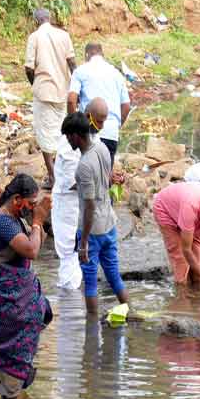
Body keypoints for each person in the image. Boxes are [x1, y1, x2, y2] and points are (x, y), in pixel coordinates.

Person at [0, 174, 53, 399]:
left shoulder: (12, 217)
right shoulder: (2, 222)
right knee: (11, 388)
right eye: (30, 203)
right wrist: (37, 221)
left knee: (14, 377)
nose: (32, 207)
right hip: (5, 306)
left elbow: (37, 241)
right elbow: (31, 250)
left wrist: (36, 219)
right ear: (17, 199)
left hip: (12, 305)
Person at [62, 108, 129, 314]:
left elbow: (89, 206)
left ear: (75, 136)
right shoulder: (101, 147)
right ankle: (129, 313)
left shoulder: (83, 165)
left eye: (67, 137)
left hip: (93, 231)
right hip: (109, 224)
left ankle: (91, 333)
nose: (67, 142)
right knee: (114, 276)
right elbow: (105, 181)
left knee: (90, 284)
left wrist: (83, 244)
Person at [24, 8, 76, 189]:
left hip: (44, 91)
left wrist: (35, 83)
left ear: (36, 20)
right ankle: (65, 172)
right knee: (63, 132)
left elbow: (29, 68)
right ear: (49, 18)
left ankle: (53, 176)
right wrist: (75, 87)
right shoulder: (63, 35)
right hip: (64, 90)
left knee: (45, 134)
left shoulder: (34, 37)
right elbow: (72, 64)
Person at [152, 182, 200, 289]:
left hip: (194, 217)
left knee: (199, 263)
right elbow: (186, 250)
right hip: (166, 210)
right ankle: (182, 296)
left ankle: (196, 297)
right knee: (181, 262)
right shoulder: (191, 205)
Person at [67, 43, 131, 167]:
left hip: (89, 132)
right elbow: (126, 106)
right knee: (105, 177)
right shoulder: (116, 74)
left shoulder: (80, 71)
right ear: (102, 54)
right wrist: (116, 125)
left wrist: (73, 126)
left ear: (87, 55)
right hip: (111, 133)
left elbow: (71, 100)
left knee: (87, 174)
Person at [51, 128, 83, 291]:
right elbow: (72, 182)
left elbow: (74, 182)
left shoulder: (72, 144)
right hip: (69, 202)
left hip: (69, 203)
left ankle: (71, 292)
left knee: (69, 252)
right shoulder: (72, 145)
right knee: (70, 251)